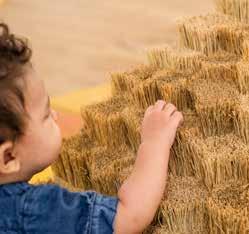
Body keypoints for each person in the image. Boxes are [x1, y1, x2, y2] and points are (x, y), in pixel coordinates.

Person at [0, 23, 183, 234]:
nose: (56, 115)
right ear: (8, 158)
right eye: (46, 114)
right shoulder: (35, 212)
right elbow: (129, 217)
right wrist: (154, 143)